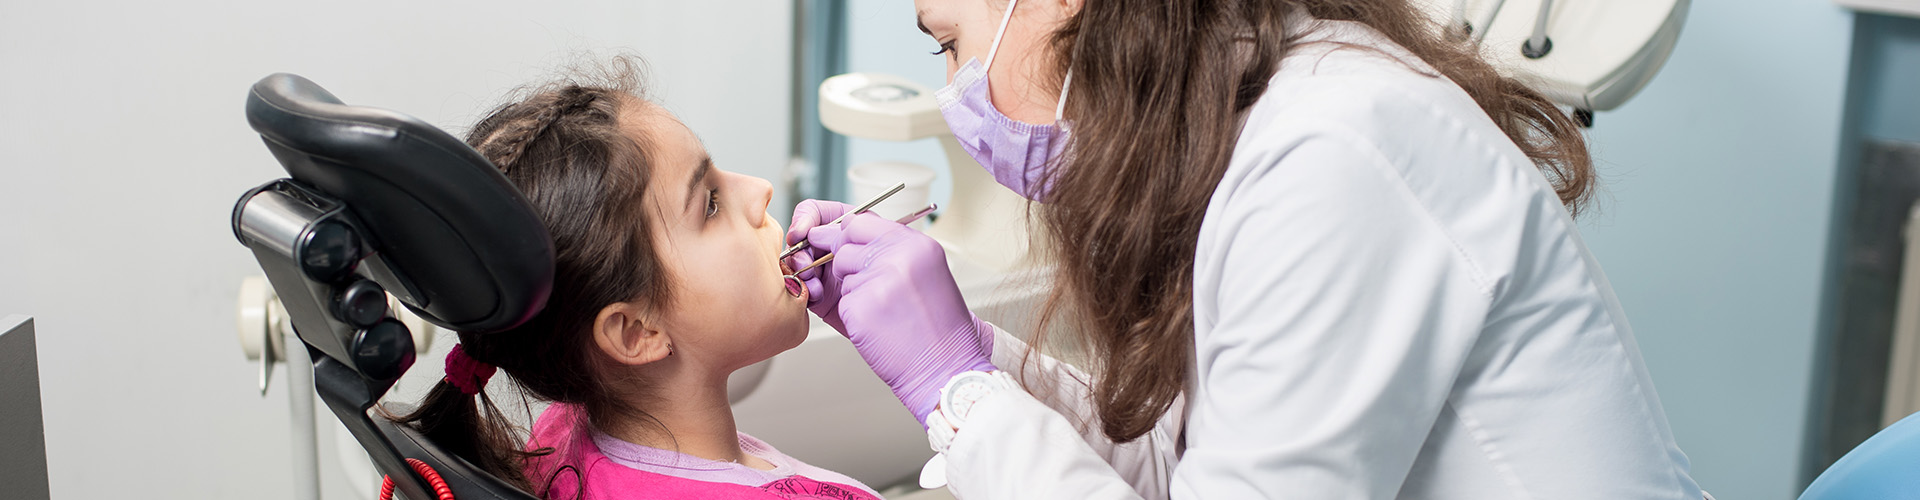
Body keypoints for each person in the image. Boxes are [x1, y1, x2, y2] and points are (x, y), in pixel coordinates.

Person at [785, 0, 1706, 498]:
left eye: (950, 47)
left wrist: (957, 392)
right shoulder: (1230, 132)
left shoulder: (1331, 156)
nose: (954, 92)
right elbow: (1178, 470)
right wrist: (973, 361)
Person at [391, 61, 881, 500]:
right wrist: (943, 378)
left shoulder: (558, 438)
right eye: (710, 204)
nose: (759, 190)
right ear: (636, 332)